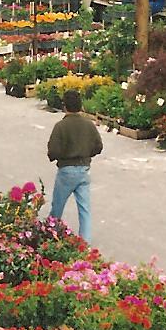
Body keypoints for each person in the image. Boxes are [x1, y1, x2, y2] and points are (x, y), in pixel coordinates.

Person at [46, 89, 103, 241]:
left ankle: (50, 237)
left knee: (57, 208)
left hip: (66, 171)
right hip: (84, 170)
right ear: (81, 105)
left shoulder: (60, 126)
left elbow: (53, 151)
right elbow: (98, 146)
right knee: (85, 210)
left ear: (65, 106)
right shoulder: (89, 125)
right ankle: (86, 244)